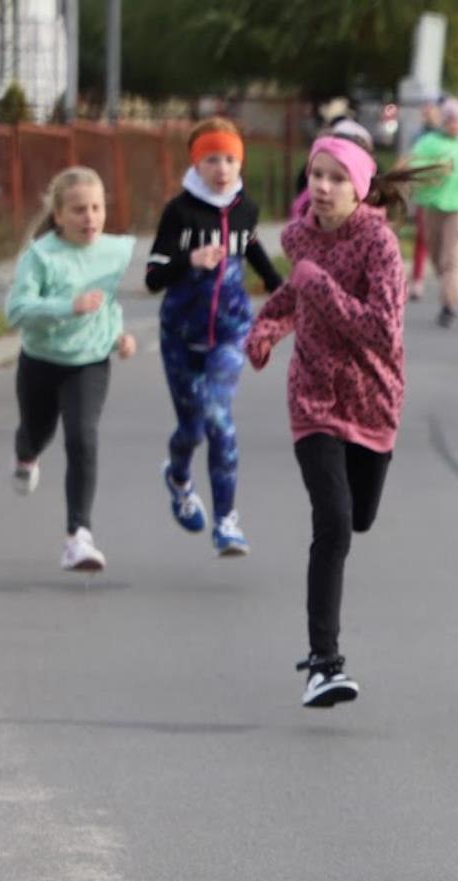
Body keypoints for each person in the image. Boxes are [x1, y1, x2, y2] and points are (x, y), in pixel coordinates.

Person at [245, 137, 417, 708]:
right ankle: (324, 663)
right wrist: (266, 329)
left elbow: (382, 331)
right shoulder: (299, 239)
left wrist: (318, 284)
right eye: (316, 175)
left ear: (360, 188)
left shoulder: (379, 245)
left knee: (360, 516)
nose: (322, 187)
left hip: (373, 400)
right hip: (314, 399)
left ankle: (324, 661)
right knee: (335, 524)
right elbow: (294, 296)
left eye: (336, 178)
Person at [145, 118, 282, 557]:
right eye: (211, 160)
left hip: (230, 331)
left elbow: (252, 246)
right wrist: (191, 260)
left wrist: (281, 289)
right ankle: (178, 477)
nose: (221, 168)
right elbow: (152, 277)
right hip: (181, 335)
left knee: (218, 417)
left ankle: (226, 521)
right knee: (191, 428)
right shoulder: (179, 212)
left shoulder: (245, 209)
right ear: (196, 164)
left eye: (229, 159)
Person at [5, 167, 138, 572]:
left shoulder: (114, 251)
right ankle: (26, 455)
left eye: (97, 208)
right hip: (41, 361)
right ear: (59, 215)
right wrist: (68, 306)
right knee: (37, 431)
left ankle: (78, 536)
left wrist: (118, 335)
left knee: (82, 438)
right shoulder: (41, 256)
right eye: (79, 210)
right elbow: (16, 311)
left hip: (89, 362)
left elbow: (108, 302)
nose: (90, 217)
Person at [407, 98, 458, 328]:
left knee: (452, 256)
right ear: (443, 121)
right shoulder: (428, 143)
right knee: (436, 255)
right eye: (450, 119)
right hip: (432, 206)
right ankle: (448, 287)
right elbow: (413, 167)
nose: (454, 124)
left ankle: (449, 304)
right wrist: (435, 169)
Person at [406, 100, 441, 301]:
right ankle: (418, 280)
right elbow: (413, 162)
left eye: (432, 111)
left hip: (447, 198)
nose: (428, 115)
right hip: (426, 196)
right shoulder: (419, 137)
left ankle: (446, 275)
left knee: (443, 240)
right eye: (425, 112)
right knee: (422, 238)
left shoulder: (447, 137)